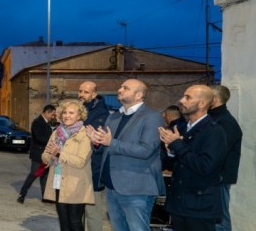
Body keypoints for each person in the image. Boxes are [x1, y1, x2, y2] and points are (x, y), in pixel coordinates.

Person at [86, 79, 165, 231]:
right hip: (112, 187)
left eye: (125, 88)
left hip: (136, 189)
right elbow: (105, 146)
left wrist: (111, 143)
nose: (120, 90)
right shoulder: (114, 116)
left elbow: (146, 150)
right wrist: (97, 142)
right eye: (120, 86)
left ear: (138, 95)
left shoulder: (151, 117)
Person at [159, 85, 227, 231]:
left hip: (199, 207)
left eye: (188, 97)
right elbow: (171, 165)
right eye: (183, 96)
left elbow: (204, 166)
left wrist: (177, 144)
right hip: (179, 205)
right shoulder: (182, 128)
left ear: (202, 103)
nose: (181, 100)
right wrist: (170, 151)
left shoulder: (214, 131)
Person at [42, 99, 94, 231]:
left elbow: (80, 161)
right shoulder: (56, 132)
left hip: (76, 183)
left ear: (79, 115)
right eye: (64, 112)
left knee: (75, 223)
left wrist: (59, 153)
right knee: (64, 224)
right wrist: (50, 156)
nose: (67, 115)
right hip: (58, 181)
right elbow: (45, 156)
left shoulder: (85, 135)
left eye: (71, 113)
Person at [209, 85, 243, 231]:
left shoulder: (225, 122)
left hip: (219, 178)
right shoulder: (214, 118)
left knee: (219, 219)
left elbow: (217, 151)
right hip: (211, 176)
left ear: (215, 99)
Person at [77, 81, 110, 231]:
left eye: (85, 92)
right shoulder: (78, 110)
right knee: (77, 211)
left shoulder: (101, 114)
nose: (81, 94)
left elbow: (97, 144)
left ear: (94, 94)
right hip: (76, 167)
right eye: (80, 91)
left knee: (92, 211)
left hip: (92, 169)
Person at [17, 104, 56, 204]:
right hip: (38, 154)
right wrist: (51, 142)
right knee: (34, 174)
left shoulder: (46, 122)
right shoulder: (37, 122)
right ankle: (22, 194)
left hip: (45, 153)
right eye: (52, 114)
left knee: (44, 176)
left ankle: (45, 196)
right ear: (46, 112)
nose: (53, 117)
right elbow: (39, 138)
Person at [160, 105, 187, 171]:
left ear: (168, 116)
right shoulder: (187, 126)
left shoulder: (171, 131)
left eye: (165, 116)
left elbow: (164, 154)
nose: (164, 119)